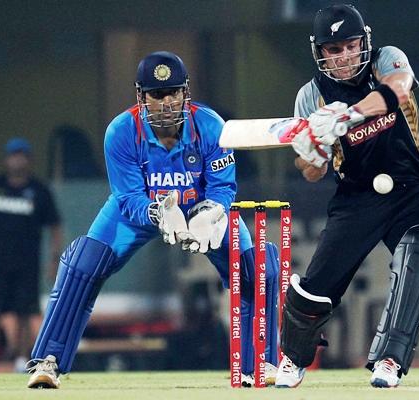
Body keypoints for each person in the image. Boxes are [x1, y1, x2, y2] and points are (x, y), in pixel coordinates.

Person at [25, 51, 279, 388]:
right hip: (141, 210)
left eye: (173, 92)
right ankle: (49, 361)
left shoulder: (211, 126)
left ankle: (260, 363)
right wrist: (158, 213)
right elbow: (128, 197)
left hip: (202, 209)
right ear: (142, 97)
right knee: (83, 264)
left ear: (186, 93)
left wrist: (210, 214)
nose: (166, 102)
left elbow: (223, 187)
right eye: (157, 94)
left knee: (257, 267)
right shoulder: (121, 131)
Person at [275, 4, 419, 388]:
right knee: (313, 292)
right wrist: (314, 151)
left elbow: (398, 90)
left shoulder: (385, 61)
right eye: (333, 49)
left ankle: (389, 359)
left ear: (364, 41)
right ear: (319, 52)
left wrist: (345, 116)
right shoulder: (311, 96)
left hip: (410, 189)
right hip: (355, 197)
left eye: (350, 45)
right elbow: (311, 172)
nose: (344, 56)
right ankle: (293, 358)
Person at [0, 138, 62, 372]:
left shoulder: (39, 191)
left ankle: (22, 360)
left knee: (24, 313)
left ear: (29, 159)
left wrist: (54, 261)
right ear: (6, 159)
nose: (17, 159)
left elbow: (55, 227)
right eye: (13, 155)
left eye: (22, 155)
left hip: (26, 265)